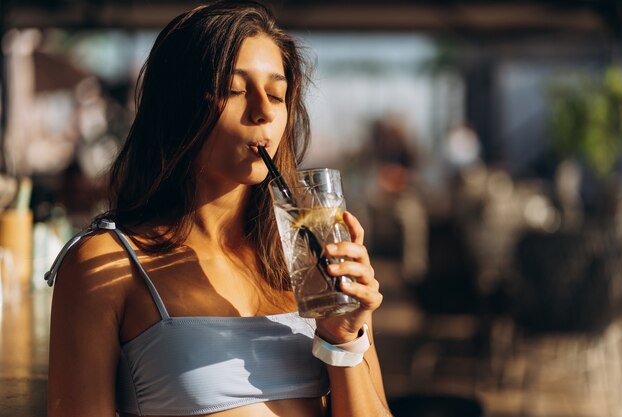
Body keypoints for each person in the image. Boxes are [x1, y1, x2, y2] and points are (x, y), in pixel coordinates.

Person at [46, 2, 390, 417]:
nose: (263, 110)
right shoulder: (106, 263)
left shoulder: (311, 263)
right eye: (233, 89)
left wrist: (345, 338)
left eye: (277, 94)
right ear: (176, 104)